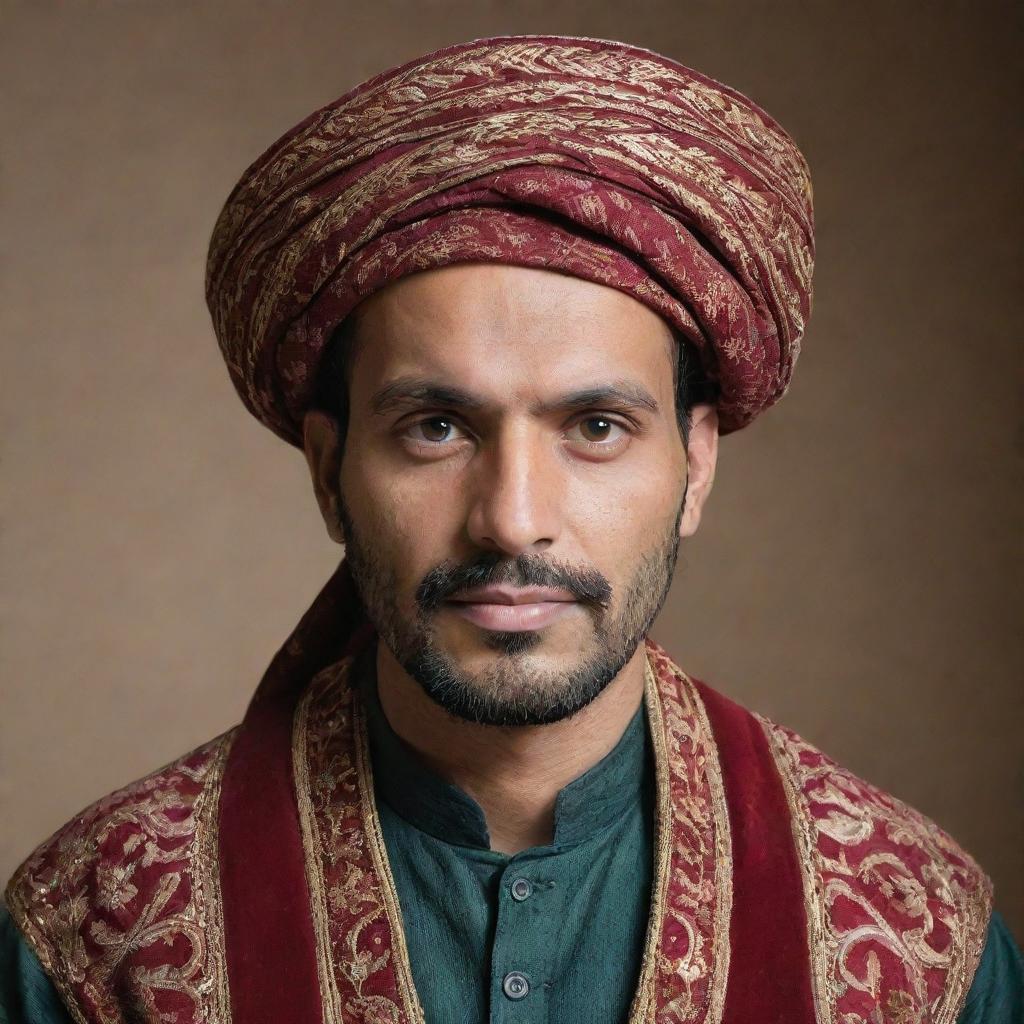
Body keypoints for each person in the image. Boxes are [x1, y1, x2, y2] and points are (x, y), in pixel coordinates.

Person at [1, 34, 1019, 1024]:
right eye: (436, 428)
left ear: (695, 465)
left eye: (595, 427)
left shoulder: (915, 939)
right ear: (327, 469)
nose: (512, 518)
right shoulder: (101, 935)